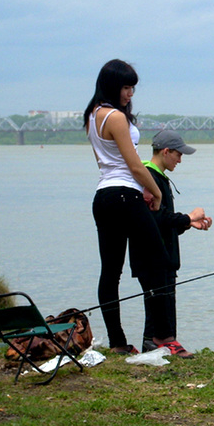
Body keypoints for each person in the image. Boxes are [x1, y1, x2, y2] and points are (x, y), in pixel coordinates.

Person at [83, 59, 177, 355]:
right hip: (126, 196)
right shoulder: (116, 118)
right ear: (113, 86)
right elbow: (134, 166)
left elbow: (112, 164)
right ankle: (161, 337)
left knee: (111, 272)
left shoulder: (92, 115)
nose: (130, 93)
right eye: (126, 87)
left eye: (133, 87)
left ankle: (118, 342)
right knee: (160, 263)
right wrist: (155, 193)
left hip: (104, 197)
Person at [140, 130, 213, 358]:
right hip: (154, 255)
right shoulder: (150, 179)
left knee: (163, 298)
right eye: (178, 155)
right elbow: (155, 218)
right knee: (160, 298)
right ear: (165, 151)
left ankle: (153, 344)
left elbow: (163, 221)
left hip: (165, 254)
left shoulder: (157, 178)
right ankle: (165, 341)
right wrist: (189, 217)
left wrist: (188, 224)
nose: (180, 160)